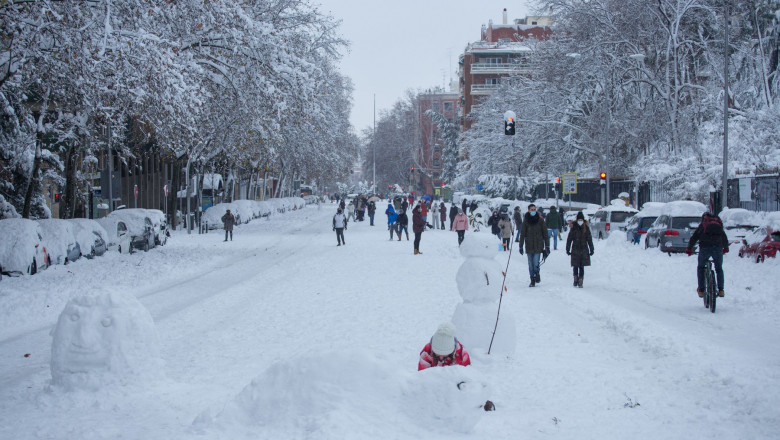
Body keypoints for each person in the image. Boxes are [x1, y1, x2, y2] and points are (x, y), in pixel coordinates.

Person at [686, 212, 730, 298]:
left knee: (701, 267)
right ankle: (721, 290)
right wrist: (725, 248)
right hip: (717, 248)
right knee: (719, 269)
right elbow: (723, 237)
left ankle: (701, 290)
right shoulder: (718, 225)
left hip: (705, 248)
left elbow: (694, 237)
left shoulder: (703, 225)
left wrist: (689, 249)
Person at [518, 204, 549, 287]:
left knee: (535, 263)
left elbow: (545, 233)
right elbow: (522, 234)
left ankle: (536, 273)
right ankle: (532, 279)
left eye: (534, 209)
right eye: (531, 209)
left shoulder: (540, 220)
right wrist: (520, 246)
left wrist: (547, 246)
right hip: (529, 246)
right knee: (530, 265)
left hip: (538, 246)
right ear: (529, 210)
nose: (533, 211)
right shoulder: (526, 221)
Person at [566, 211, 594, 287]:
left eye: (581, 220)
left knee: (582, 266)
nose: (580, 221)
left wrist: (592, 249)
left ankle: (580, 279)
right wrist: (567, 249)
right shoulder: (573, 228)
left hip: (584, 249)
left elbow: (589, 239)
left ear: (583, 220)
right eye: (579, 220)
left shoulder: (586, 228)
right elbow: (569, 239)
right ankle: (575, 278)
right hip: (575, 249)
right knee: (575, 265)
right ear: (577, 220)